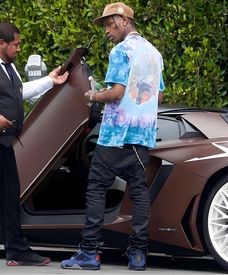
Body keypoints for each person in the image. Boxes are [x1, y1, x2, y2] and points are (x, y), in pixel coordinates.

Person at [61, 2, 164, 271]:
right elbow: (158, 95)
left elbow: (116, 93)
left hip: (115, 135)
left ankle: (89, 253)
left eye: (109, 24)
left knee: (96, 188)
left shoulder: (121, 51)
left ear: (124, 21)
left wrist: (93, 95)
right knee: (139, 193)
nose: (107, 30)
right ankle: (138, 254)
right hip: (141, 137)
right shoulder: (154, 53)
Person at [0, 22, 68, 266]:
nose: (19, 49)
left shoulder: (10, 69)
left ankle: (16, 250)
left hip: (5, 144)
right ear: (1, 43)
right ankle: (16, 249)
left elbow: (20, 92)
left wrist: (50, 81)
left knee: (9, 197)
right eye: (16, 44)